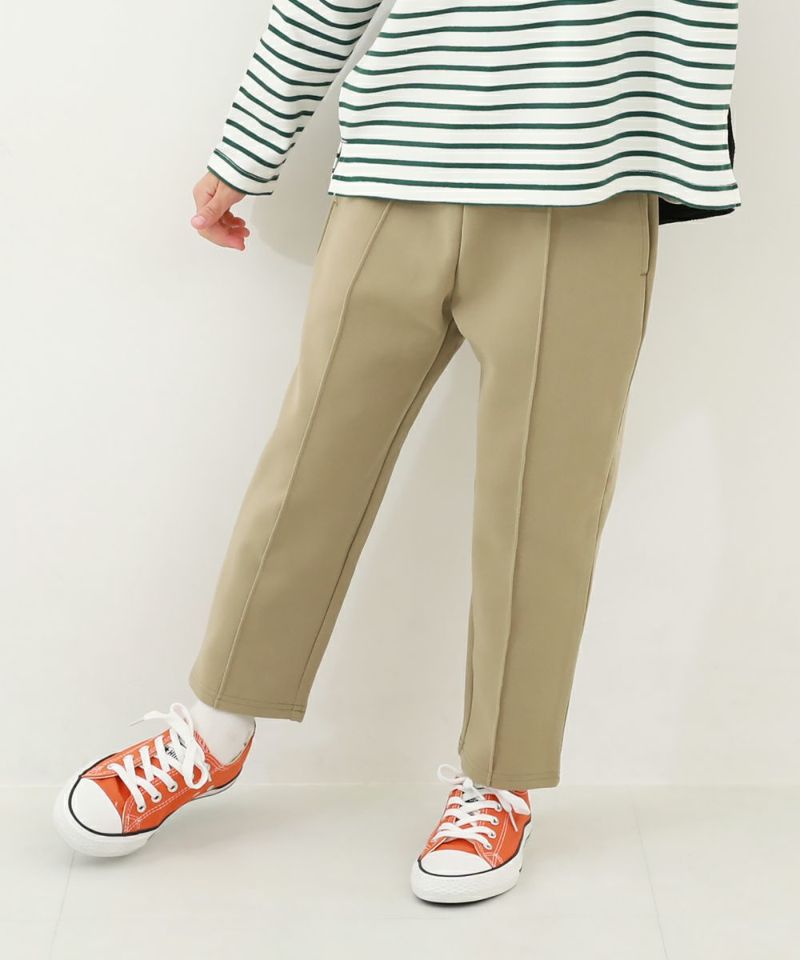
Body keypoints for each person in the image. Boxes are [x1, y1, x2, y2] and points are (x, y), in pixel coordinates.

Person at [52, 1, 740, 904]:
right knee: (309, 468)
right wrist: (245, 150)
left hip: (587, 180)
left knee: (542, 507)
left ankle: (499, 780)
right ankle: (215, 730)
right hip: (396, 167)